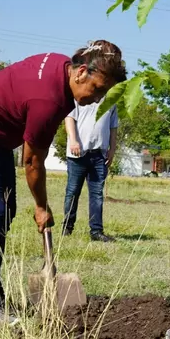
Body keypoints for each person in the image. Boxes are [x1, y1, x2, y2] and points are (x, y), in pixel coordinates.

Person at [0, 41, 126, 329]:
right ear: (80, 74)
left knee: (3, 211)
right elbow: (31, 163)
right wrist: (42, 206)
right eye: (98, 88)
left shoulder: (61, 64)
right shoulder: (48, 101)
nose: (98, 98)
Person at [61, 97, 119, 242]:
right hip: (77, 154)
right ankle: (67, 227)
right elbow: (69, 118)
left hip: (99, 155)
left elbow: (113, 128)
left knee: (97, 195)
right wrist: (73, 140)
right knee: (72, 192)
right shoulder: (80, 96)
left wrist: (112, 150)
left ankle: (96, 231)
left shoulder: (111, 100)